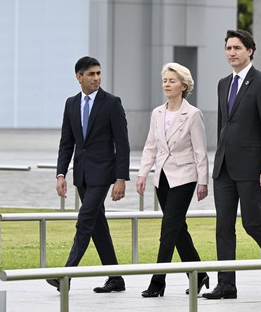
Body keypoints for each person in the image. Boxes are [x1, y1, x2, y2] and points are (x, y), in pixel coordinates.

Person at [203, 29, 261, 300]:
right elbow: (223, 126)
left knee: (252, 223)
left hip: (252, 168)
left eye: (237, 48)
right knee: (223, 226)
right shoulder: (222, 83)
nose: (232, 53)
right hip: (224, 168)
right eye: (228, 48)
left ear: (250, 51)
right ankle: (226, 285)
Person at [48, 56, 130, 293]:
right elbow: (67, 143)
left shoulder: (112, 103)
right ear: (79, 77)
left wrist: (120, 178)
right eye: (91, 74)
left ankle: (65, 275)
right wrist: (60, 174)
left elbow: (122, 144)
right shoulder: (71, 104)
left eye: (98, 73)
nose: (96, 78)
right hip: (82, 175)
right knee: (97, 226)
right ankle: (116, 278)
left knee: (84, 220)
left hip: (104, 174)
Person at [136, 63, 209, 298]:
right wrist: (142, 174)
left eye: (172, 81)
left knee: (168, 230)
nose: (167, 84)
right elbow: (151, 146)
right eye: (165, 80)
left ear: (184, 86)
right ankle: (199, 274)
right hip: (162, 180)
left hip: (185, 179)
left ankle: (158, 282)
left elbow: (200, 151)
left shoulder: (193, 114)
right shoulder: (157, 113)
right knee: (177, 229)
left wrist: (203, 181)